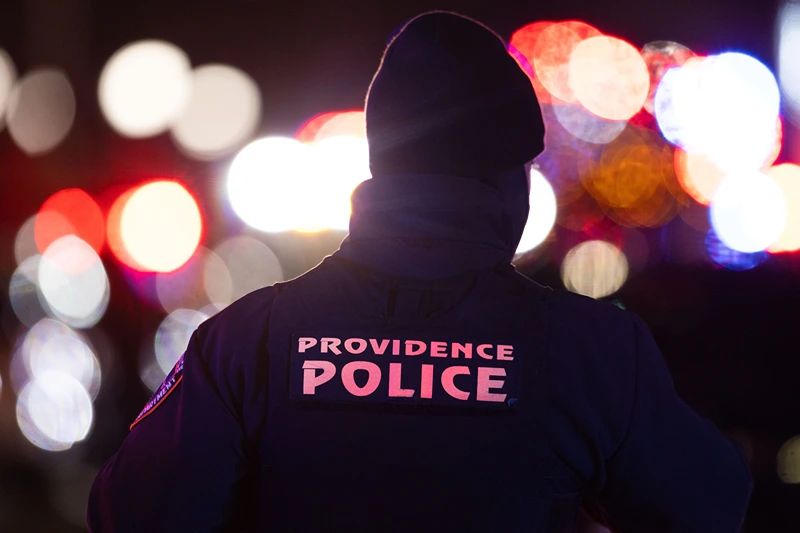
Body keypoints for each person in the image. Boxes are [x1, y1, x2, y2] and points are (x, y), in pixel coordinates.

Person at [87, 11, 752, 532]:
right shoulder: (593, 353)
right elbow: (711, 505)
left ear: (383, 164)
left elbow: (130, 513)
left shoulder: (246, 344)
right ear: (510, 180)